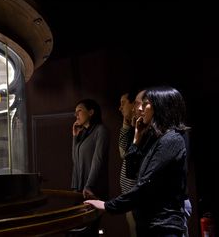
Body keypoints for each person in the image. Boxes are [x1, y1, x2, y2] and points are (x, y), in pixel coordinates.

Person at [84, 86, 190, 237]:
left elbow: (146, 184)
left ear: (160, 107)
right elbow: (131, 171)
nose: (139, 109)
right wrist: (137, 139)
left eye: (145, 103)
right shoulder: (155, 138)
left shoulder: (172, 139)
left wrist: (108, 206)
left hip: (162, 225)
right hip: (148, 222)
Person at [69, 98, 109, 237]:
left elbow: (98, 160)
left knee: (89, 232)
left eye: (79, 110)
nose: (76, 115)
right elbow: (76, 161)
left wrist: (89, 186)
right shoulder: (83, 134)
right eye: (75, 112)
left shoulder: (100, 130)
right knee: (78, 231)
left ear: (91, 112)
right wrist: (75, 138)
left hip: (92, 190)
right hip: (81, 189)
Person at [118, 89, 139, 237]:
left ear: (134, 104)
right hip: (130, 198)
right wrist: (126, 123)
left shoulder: (142, 128)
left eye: (123, 103)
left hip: (138, 200)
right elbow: (123, 152)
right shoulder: (132, 127)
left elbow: (123, 153)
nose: (120, 108)